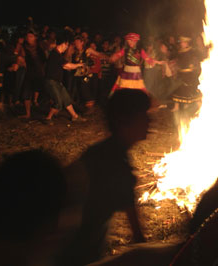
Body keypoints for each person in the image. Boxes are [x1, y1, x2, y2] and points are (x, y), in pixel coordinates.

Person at [58, 89, 151, 265]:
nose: (149, 121)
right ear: (123, 120)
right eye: (143, 115)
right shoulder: (113, 164)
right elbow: (138, 237)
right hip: (74, 254)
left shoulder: (103, 152)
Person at [43, 34, 83, 122]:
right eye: (67, 45)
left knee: (66, 99)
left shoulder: (57, 54)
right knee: (58, 103)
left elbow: (65, 66)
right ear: (64, 44)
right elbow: (68, 66)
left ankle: (75, 116)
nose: (67, 47)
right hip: (51, 82)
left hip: (57, 82)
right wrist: (79, 65)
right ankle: (48, 118)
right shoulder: (55, 54)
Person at [18, 30, 46, 120]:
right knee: (26, 92)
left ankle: (51, 111)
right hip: (29, 72)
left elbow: (44, 59)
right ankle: (28, 113)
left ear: (35, 38)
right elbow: (21, 58)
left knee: (44, 90)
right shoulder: (24, 47)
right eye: (28, 36)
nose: (29, 38)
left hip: (39, 72)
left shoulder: (39, 47)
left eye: (31, 36)